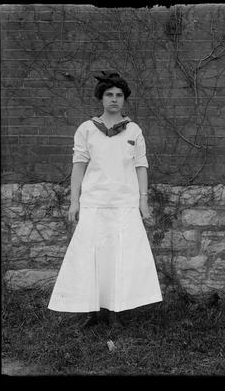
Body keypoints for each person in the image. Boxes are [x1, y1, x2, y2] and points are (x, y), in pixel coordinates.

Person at [48, 71, 163, 328]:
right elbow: (78, 166)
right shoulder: (87, 129)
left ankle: (116, 311)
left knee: (120, 258)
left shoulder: (134, 130)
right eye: (109, 95)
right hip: (95, 203)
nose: (114, 99)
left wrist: (143, 201)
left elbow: (140, 166)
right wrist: (74, 201)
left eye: (119, 95)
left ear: (124, 100)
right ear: (101, 98)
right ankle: (92, 311)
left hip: (124, 204)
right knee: (91, 257)